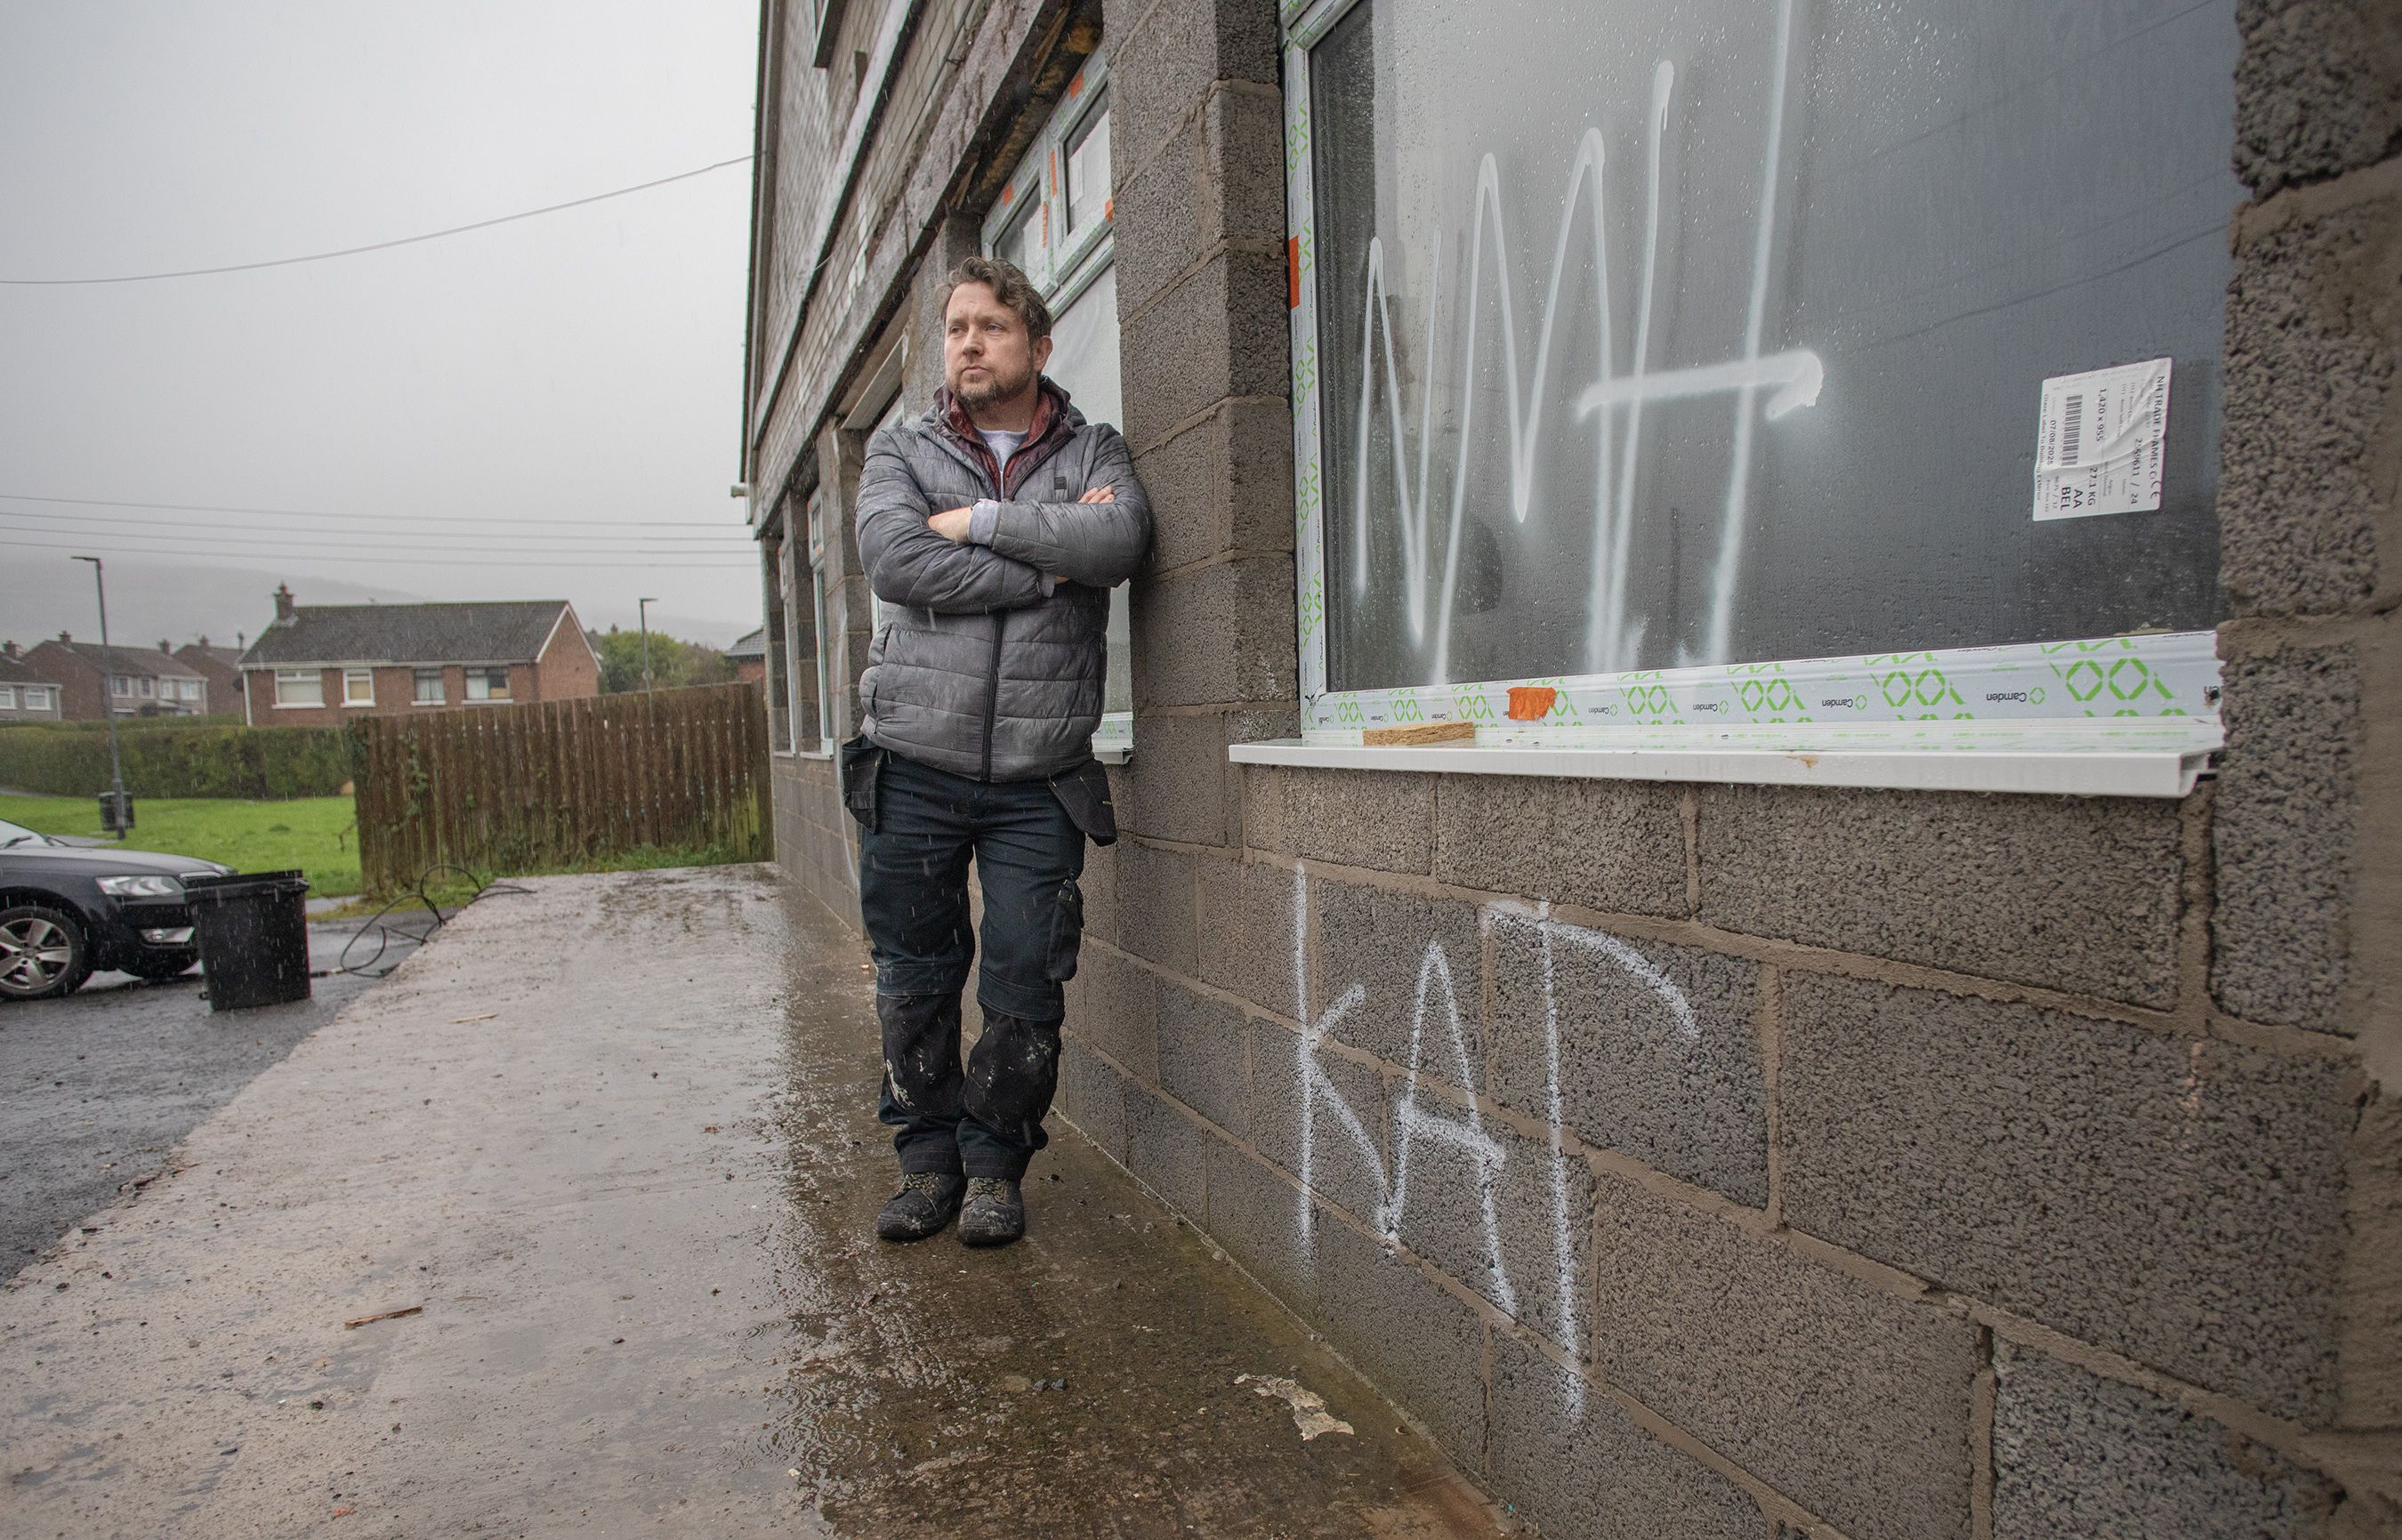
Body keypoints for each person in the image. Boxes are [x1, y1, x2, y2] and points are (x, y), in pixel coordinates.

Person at [845, 255, 1152, 1247]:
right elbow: (895, 562)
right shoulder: (901, 452)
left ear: (1039, 343)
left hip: (1039, 779)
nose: (968, 344)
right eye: (956, 328)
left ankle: (992, 1168)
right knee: (915, 978)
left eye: (991, 326)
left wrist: (980, 525)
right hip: (914, 764)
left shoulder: (1094, 450)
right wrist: (1043, 571)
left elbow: (1117, 546)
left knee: (1024, 982)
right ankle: (926, 1165)